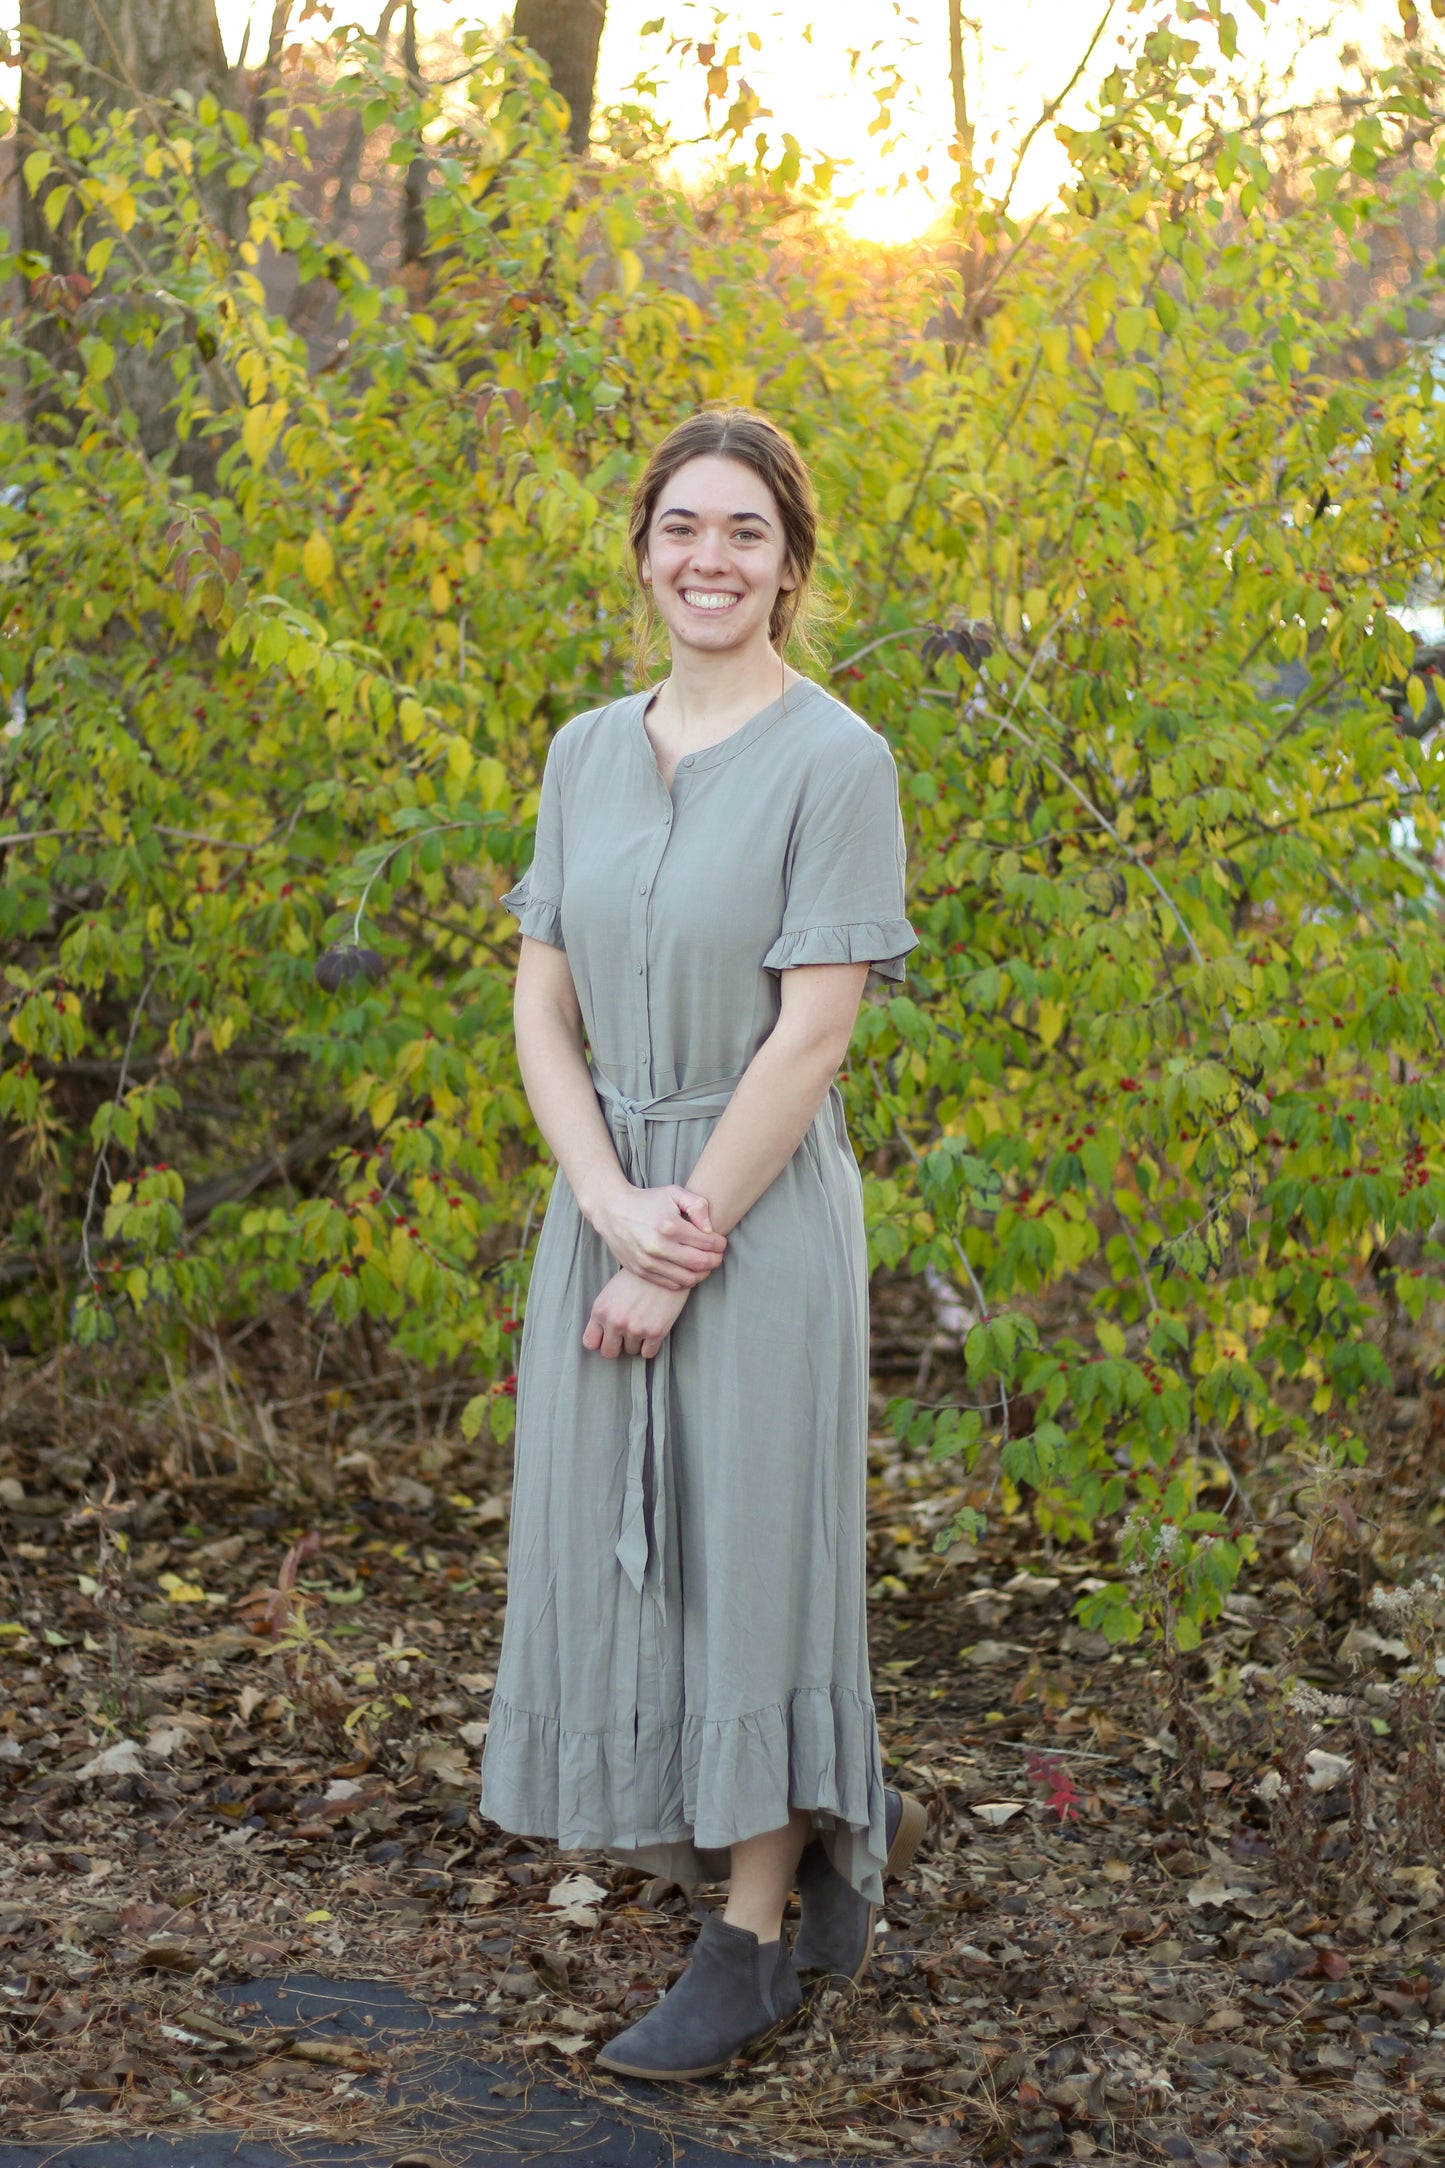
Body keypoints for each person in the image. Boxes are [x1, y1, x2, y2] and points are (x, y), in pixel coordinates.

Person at [478, 406, 926, 2080]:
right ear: (643, 552)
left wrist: (676, 1248)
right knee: (619, 1556)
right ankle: (822, 1823)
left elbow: (812, 1034)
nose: (709, 558)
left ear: (790, 565)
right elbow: (541, 1007)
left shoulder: (838, 762)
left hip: (757, 1212)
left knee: (748, 1552)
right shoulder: (584, 752)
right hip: (604, 1195)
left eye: (745, 531)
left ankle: (748, 1941)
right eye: (682, 526)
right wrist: (607, 1207)